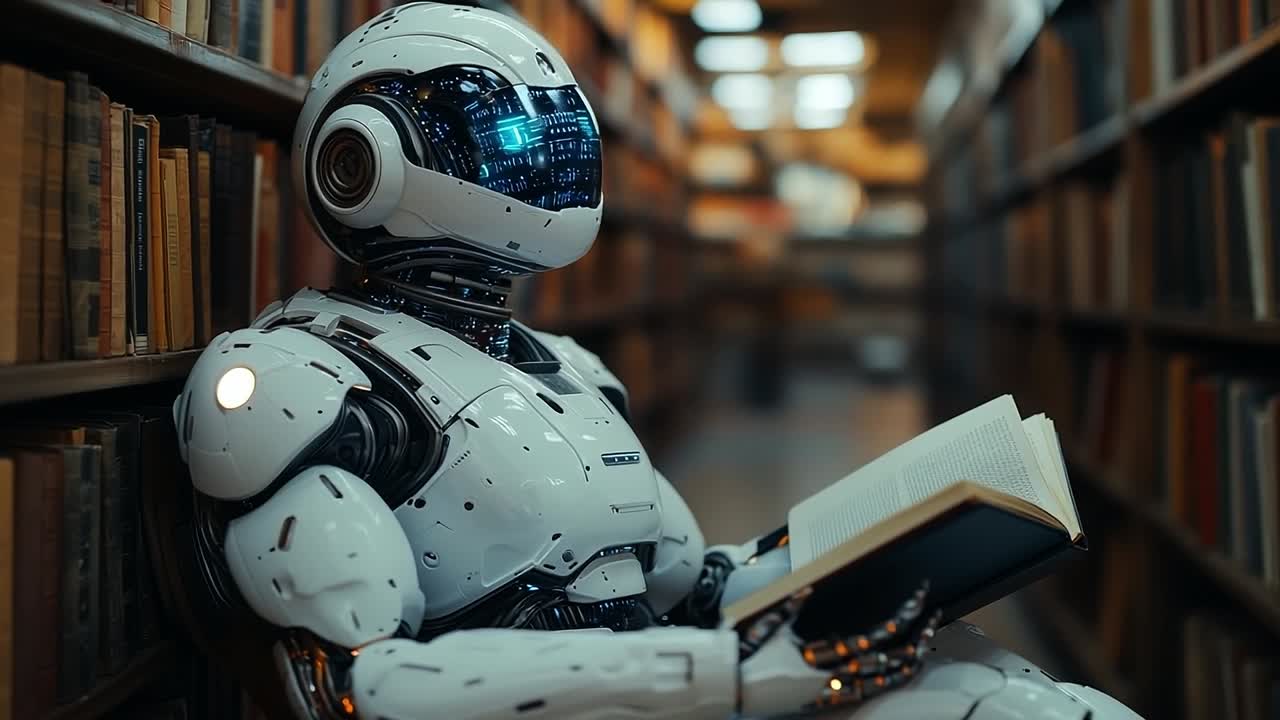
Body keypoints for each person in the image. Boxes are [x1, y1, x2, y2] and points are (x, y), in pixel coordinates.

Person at [172, 4, 1143, 718]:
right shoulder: (302, 383)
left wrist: (880, 562)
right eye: (513, 140)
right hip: (648, 694)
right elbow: (355, 687)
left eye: (559, 139)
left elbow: (697, 584)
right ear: (360, 158)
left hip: (681, 686)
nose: (549, 166)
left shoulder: (567, 371)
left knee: (1008, 689)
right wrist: (723, 678)